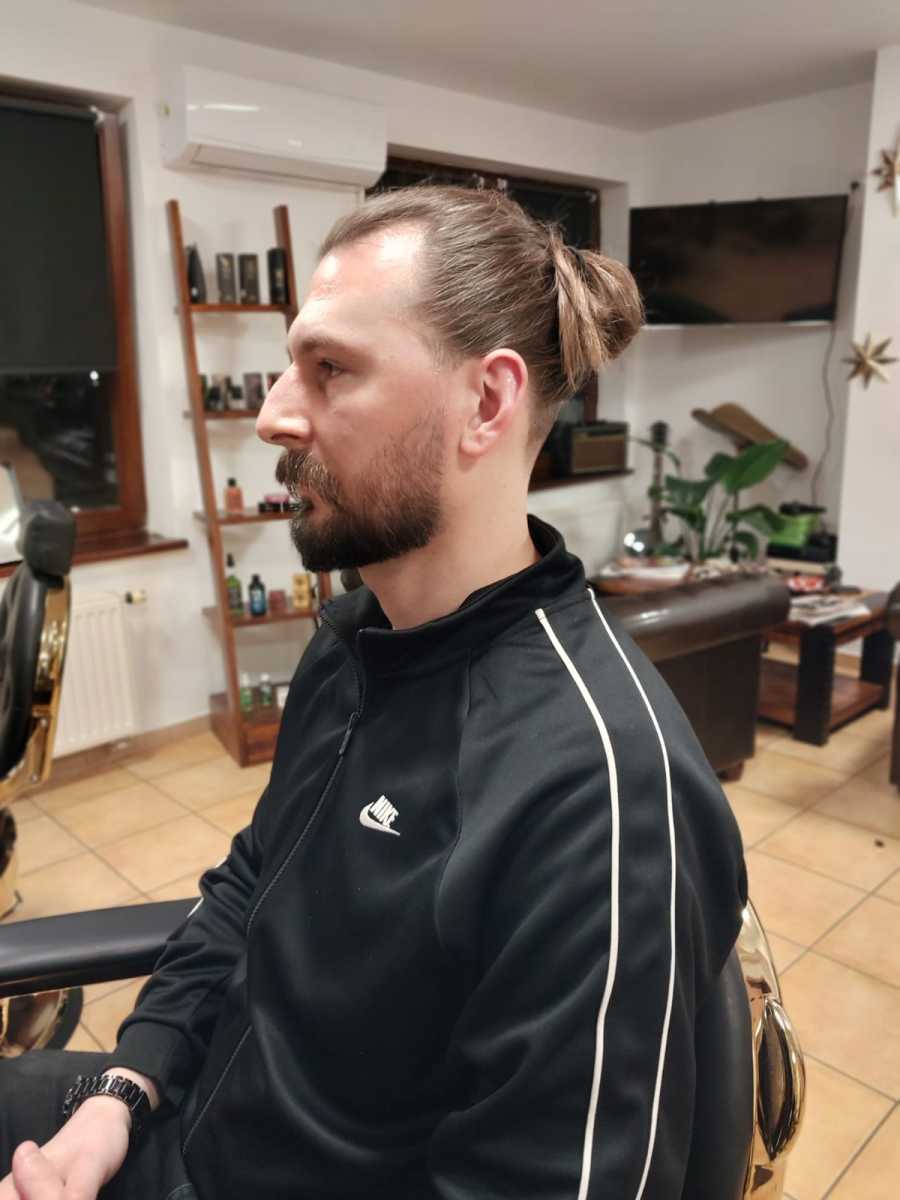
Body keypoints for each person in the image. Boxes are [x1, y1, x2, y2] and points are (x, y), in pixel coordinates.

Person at [0, 185, 746, 1199]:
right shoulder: (354, 641)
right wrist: (121, 1093)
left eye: (331, 369)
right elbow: (249, 886)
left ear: (486, 405)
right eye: (289, 365)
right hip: (185, 1122)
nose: (273, 414)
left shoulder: (602, 795)